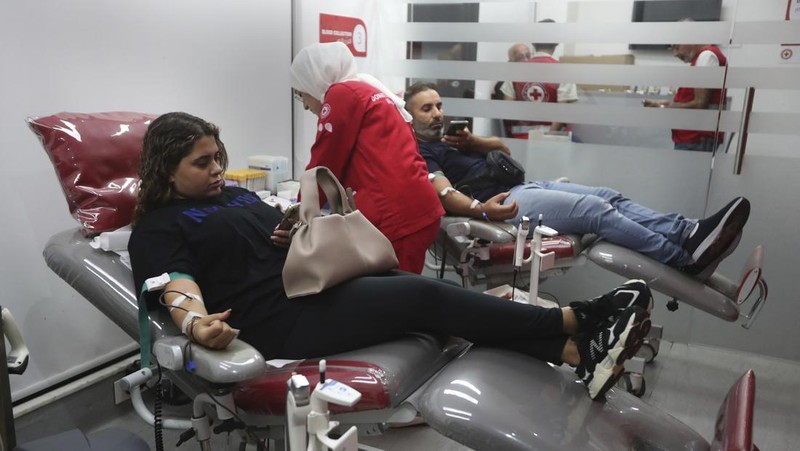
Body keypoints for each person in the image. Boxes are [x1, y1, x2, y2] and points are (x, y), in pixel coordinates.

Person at [128, 111, 653, 401]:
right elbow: (173, 280)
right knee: (421, 292)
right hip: (277, 320)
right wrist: (196, 326)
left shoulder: (234, 195)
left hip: (312, 289)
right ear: (166, 170)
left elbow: (269, 237)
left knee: (440, 293)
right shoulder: (157, 226)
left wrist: (290, 231)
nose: (218, 168)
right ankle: (578, 319)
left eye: (219, 156)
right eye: (203, 162)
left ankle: (579, 355)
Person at [404, 83, 750, 277]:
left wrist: (473, 142)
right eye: (427, 109)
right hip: (506, 203)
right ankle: (679, 258)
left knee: (608, 195)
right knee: (594, 210)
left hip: (527, 186)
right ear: (410, 116)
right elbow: (446, 195)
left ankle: (687, 232)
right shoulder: (423, 152)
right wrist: (483, 210)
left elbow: (501, 149)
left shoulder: (450, 140)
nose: (437, 114)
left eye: (438, 106)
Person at [289, 41, 443, 274]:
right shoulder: (367, 90)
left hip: (398, 216)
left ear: (314, 80)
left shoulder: (341, 93)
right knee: (403, 295)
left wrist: (297, 213)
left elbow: (324, 164)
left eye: (301, 95)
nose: (305, 106)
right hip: (415, 208)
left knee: (395, 302)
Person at [643, 20, 728, 152]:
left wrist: (668, 106)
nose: (675, 54)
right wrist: (667, 104)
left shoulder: (707, 56)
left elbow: (700, 104)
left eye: (677, 47)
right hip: (692, 138)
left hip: (697, 138)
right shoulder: (701, 59)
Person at [498, 19, 579, 137]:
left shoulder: (515, 71)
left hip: (519, 142)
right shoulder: (563, 71)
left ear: (533, 42)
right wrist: (545, 140)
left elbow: (507, 110)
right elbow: (562, 113)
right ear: (557, 42)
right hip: (552, 144)